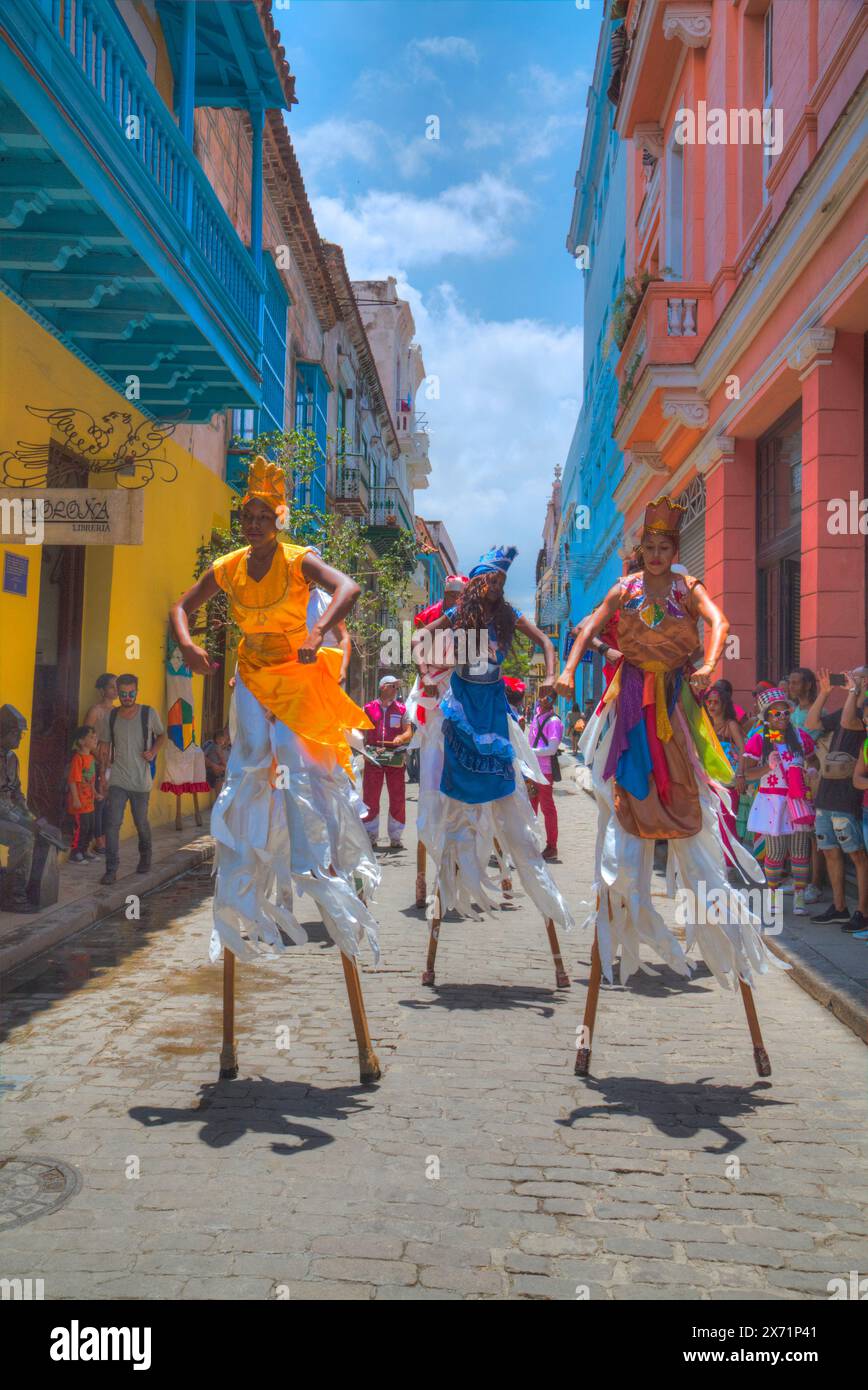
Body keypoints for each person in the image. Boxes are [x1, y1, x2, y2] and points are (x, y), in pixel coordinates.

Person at [170, 456, 381, 967]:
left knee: (290, 752)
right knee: (250, 760)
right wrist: (187, 647)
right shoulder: (229, 566)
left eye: (265, 516)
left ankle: (312, 859)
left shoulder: (297, 559)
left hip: (295, 670)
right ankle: (244, 855)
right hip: (253, 671)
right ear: (242, 523)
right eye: (249, 517)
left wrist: (316, 632)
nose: (256, 525)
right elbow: (181, 606)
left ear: (278, 519)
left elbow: (348, 587)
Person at [555, 495, 773, 991]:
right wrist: (567, 669)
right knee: (622, 796)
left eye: (664, 546)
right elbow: (589, 625)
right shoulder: (625, 587)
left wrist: (709, 663)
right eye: (649, 546)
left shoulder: (686, 586)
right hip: (630, 699)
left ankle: (713, 917)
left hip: (674, 698)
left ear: (674, 549)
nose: (655, 553)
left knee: (688, 794)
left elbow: (719, 622)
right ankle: (619, 913)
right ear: (642, 550)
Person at [412, 545, 572, 942]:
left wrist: (552, 674)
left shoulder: (507, 616)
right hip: (463, 709)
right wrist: (432, 667)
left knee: (508, 794)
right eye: (491, 579)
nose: (496, 586)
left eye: (501, 580)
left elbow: (546, 643)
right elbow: (419, 638)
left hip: (494, 712)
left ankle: (515, 869)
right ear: (477, 581)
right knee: (455, 805)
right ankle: (450, 881)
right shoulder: (458, 615)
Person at [804, 669, 868, 933]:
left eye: (858, 674)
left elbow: (847, 722)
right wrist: (824, 693)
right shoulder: (849, 707)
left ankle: (862, 912)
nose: (851, 677)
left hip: (846, 794)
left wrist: (856, 691)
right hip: (827, 792)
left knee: (856, 855)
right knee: (829, 850)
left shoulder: (860, 711)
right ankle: (839, 907)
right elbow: (811, 724)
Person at [741, 689, 817, 914]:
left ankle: (800, 898)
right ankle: (773, 896)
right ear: (767, 717)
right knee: (775, 852)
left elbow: (814, 761)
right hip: (773, 801)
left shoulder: (800, 737)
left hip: (798, 799)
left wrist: (812, 770)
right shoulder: (761, 739)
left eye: (785, 713)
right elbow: (747, 774)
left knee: (800, 850)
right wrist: (768, 767)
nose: (782, 717)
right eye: (776, 714)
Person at [98, 675, 165, 885]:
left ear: (137, 691)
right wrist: (102, 776)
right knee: (112, 824)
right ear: (118, 692)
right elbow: (105, 747)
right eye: (124, 693)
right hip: (118, 778)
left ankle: (145, 856)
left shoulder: (148, 713)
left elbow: (162, 735)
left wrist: (153, 751)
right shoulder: (112, 716)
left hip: (140, 780)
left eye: (131, 693)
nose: (127, 697)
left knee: (140, 822)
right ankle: (111, 869)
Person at [0, 705, 43, 913]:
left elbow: (16, 791)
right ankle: (13, 897)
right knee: (23, 837)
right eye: (17, 733)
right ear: (4, 732)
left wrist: (28, 814)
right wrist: (21, 820)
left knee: (34, 832)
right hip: (2, 813)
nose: (20, 738)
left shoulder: (11, 758)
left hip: (6, 813)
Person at [361, 676, 413, 849]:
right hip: (373, 756)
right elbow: (359, 731)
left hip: (395, 756)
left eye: (397, 687)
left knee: (397, 796)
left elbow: (408, 732)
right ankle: (370, 834)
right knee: (370, 796)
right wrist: (362, 749)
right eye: (393, 686)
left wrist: (401, 737)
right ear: (383, 687)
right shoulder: (368, 708)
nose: (396, 690)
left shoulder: (402, 709)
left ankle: (396, 836)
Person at [704, 680, 746, 863]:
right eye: (709, 702)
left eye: (716, 702)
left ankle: (730, 864)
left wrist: (741, 775)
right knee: (711, 823)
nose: (712, 706)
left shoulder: (731, 726)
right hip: (707, 780)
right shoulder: (704, 725)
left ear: (724, 705)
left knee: (727, 823)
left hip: (728, 782)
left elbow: (744, 750)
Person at [527, 691, 564, 861]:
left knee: (547, 809)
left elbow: (552, 749)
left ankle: (552, 846)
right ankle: (530, 843)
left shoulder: (554, 721)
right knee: (530, 807)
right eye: (542, 695)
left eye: (548, 697)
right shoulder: (536, 716)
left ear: (552, 700)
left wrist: (529, 752)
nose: (543, 699)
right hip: (531, 769)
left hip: (544, 771)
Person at [83, 673, 117, 853]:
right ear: (102, 690)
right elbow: (85, 735)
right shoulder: (95, 711)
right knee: (99, 801)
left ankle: (105, 835)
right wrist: (99, 757)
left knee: (110, 802)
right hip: (98, 761)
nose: (116, 689)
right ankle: (99, 839)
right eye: (112, 686)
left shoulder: (118, 711)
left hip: (114, 761)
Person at [66, 725, 100, 863]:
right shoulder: (78, 759)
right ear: (81, 741)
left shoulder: (91, 758)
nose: (95, 739)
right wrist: (75, 799)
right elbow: (73, 780)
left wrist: (96, 793)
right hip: (79, 802)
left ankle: (85, 850)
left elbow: (91, 780)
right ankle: (75, 854)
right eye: (91, 737)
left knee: (91, 827)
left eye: (95, 737)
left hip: (89, 802)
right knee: (81, 828)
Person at [203, 726, 231, 798]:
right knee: (220, 778)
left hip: (224, 771)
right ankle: (219, 803)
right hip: (209, 771)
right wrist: (214, 766)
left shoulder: (232, 749)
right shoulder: (210, 744)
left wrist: (223, 768)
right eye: (226, 733)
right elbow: (202, 757)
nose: (227, 736)